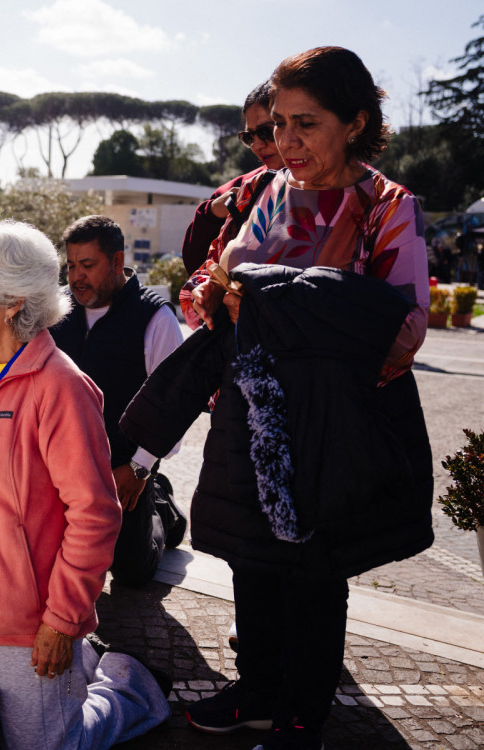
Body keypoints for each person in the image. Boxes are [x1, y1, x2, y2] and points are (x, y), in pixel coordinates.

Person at [124, 47, 432, 750]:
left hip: (335, 420)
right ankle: (258, 685)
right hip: (252, 407)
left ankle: (304, 708)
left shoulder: (389, 208)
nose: (287, 143)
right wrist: (216, 291)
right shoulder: (273, 194)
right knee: (249, 553)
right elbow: (225, 277)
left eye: (306, 125)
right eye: (279, 125)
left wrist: (277, 301)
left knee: (316, 571)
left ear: (355, 123)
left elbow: (405, 330)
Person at [0, 219, 170, 750]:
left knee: (46, 744)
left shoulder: (62, 388)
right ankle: (83, 673)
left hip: (25, 610)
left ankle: (131, 693)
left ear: (12, 301)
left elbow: (95, 514)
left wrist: (62, 621)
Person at [50, 216, 186, 587]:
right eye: (71, 266)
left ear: (116, 260)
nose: (77, 277)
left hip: (123, 468)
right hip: (64, 465)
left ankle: (161, 506)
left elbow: (173, 409)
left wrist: (140, 469)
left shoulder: (156, 318)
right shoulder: (57, 310)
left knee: (131, 573)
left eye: (88, 265)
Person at [180, 83, 285, 276]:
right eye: (249, 137)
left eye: (265, 132)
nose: (256, 146)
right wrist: (211, 214)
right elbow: (198, 269)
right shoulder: (233, 191)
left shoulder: (344, 185)